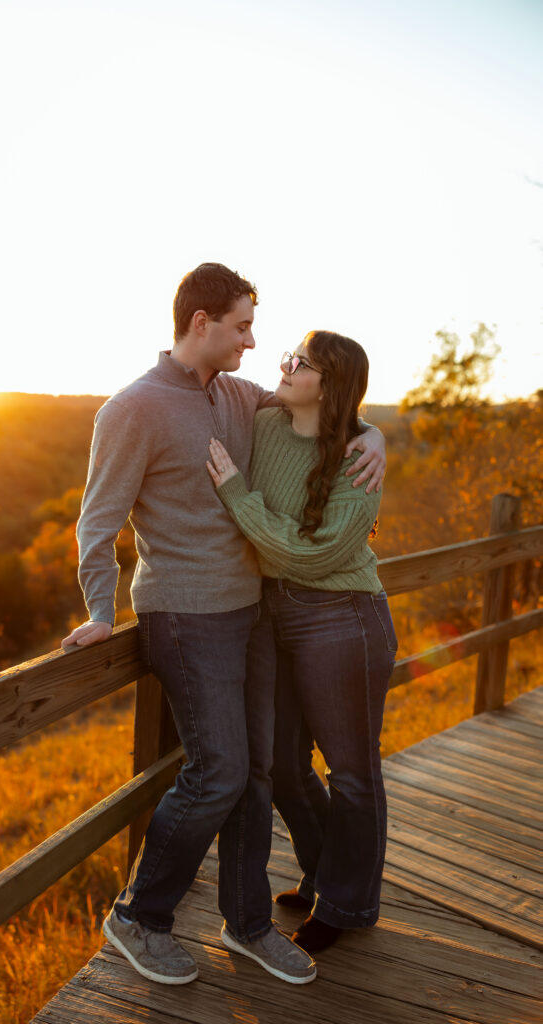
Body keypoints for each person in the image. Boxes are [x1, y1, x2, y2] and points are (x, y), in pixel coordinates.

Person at [62, 266, 386, 986]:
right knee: (218, 774)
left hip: (251, 611)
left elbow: (330, 405)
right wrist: (98, 610)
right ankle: (138, 917)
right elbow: (98, 519)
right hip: (184, 612)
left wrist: (377, 438)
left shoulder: (239, 396)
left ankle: (245, 925)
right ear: (201, 321)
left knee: (259, 775)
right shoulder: (132, 408)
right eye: (241, 325)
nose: (252, 339)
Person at [206, 330, 397, 958]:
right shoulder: (265, 421)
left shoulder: (357, 459)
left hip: (341, 614)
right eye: (289, 356)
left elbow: (309, 555)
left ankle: (346, 904)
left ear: (330, 384)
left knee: (352, 773)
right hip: (271, 615)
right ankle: (321, 871)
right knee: (284, 765)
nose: (284, 367)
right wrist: (376, 427)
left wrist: (237, 493)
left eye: (301, 364)